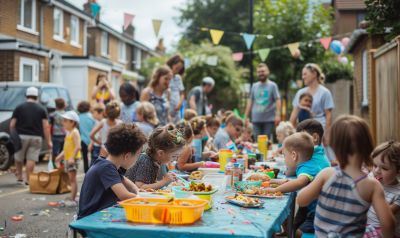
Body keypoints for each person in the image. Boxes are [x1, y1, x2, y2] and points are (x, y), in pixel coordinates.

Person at [297, 115, 395, 237]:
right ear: (368, 146)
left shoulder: (327, 174)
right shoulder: (372, 186)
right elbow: (389, 224)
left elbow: (301, 200)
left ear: (335, 147)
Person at [78, 124, 147, 219]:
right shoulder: (106, 168)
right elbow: (124, 195)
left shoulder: (106, 164)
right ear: (127, 156)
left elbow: (124, 180)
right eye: (138, 155)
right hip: (89, 220)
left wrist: (137, 191)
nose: (137, 158)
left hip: (98, 216)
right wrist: (145, 199)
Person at [265, 132, 326, 235]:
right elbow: (292, 181)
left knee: (300, 233)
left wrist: (275, 190)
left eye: (284, 156)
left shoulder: (306, 167)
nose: (284, 160)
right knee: (292, 224)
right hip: (310, 209)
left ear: (293, 155)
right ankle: (288, 232)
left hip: (315, 212)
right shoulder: (309, 164)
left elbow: (299, 182)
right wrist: (271, 181)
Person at [10, 87, 52, 185]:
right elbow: (45, 126)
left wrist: (13, 136)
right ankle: (28, 180)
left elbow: (12, 125)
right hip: (36, 138)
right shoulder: (42, 109)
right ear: (37, 97)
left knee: (18, 157)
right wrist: (49, 141)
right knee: (31, 158)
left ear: (26, 96)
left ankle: (20, 178)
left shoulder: (19, 107)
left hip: (21, 137)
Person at [125, 125, 186, 190]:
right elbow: (140, 187)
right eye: (174, 156)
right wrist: (164, 181)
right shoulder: (145, 161)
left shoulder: (158, 161)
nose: (176, 159)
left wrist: (169, 178)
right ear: (160, 153)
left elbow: (151, 183)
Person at [364, 141, 400, 237]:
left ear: (398, 171)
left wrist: (376, 189)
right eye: (375, 165)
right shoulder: (372, 176)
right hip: (366, 223)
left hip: (382, 229)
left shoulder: (398, 192)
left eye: (384, 168)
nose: (376, 171)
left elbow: (385, 216)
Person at [290, 63, 334, 130]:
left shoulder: (325, 92)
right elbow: (294, 115)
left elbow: (329, 116)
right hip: (303, 129)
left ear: (314, 74)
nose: (303, 77)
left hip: (320, 130)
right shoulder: (300, 93)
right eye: (302, 75)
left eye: (305, 74)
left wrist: (327, 135)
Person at [245, 63, 281, 139]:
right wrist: (246, 117)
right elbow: (250, 101)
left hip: (269, 120)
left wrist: (278, 115)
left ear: (268, 72)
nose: (261, 73)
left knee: (266, 142)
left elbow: (278, 100)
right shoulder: (254, 86)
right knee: (257, 141)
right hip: (256, 120)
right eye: (259, 72)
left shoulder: (272, 85)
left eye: (263, 71)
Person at [55, 111, 81, 204]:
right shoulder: (68, 132)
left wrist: (72, 158)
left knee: (72, 179)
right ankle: (72, 197)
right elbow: (66, 148)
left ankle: (73, 199)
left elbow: (78, 146)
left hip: (72, 159)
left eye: (65, 121)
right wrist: (59, 157)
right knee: (71, 179)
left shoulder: (75, 132)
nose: (63, 123)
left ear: (72, 122)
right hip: (68, 158)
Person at [77, 101, 95, 173]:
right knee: (93, 157)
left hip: (83, 140)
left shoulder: (78, 117)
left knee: (85, 158)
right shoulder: (91, 116)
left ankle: (86, 171)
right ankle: (93, 171)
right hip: (93, 140)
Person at [167, 55, 185, 123]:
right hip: (167, 111)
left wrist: (179, 104)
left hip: (176, 111)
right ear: (172, 64)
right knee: (168, 129)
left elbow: (182, 93)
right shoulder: (166, 76)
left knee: (179, 130)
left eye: (180, 68)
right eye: (177, 67)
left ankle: (179, 134)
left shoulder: (178, 78)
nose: (178, 70)